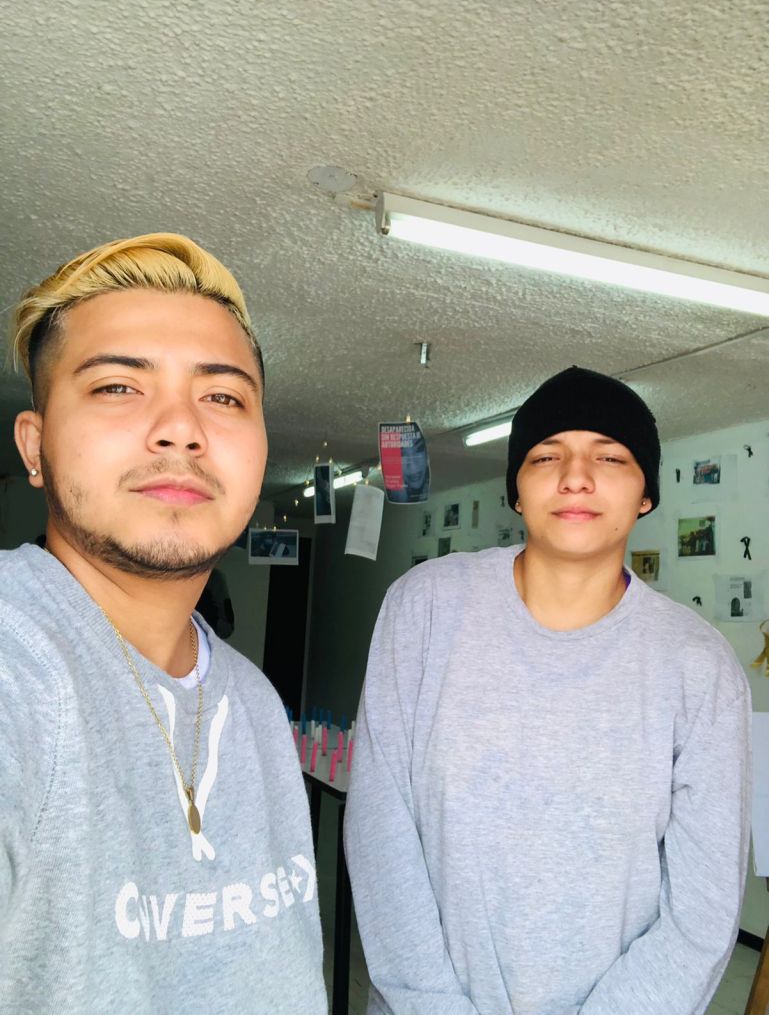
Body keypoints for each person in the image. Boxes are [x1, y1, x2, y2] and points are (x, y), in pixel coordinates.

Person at [345, 367, 750, 1015]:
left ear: (645, 493)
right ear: (516, 490)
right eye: (545, 456)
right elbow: (380, 831)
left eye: (609, 457)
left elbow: (700, 915)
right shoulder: (424, 608)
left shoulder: (697, 666)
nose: (575, 476)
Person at [0, 234, 327, 1013]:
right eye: (118, 386)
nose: (180, 428)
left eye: (224, 398)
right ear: (35, 447)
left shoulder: (252, 700)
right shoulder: (18, 666)